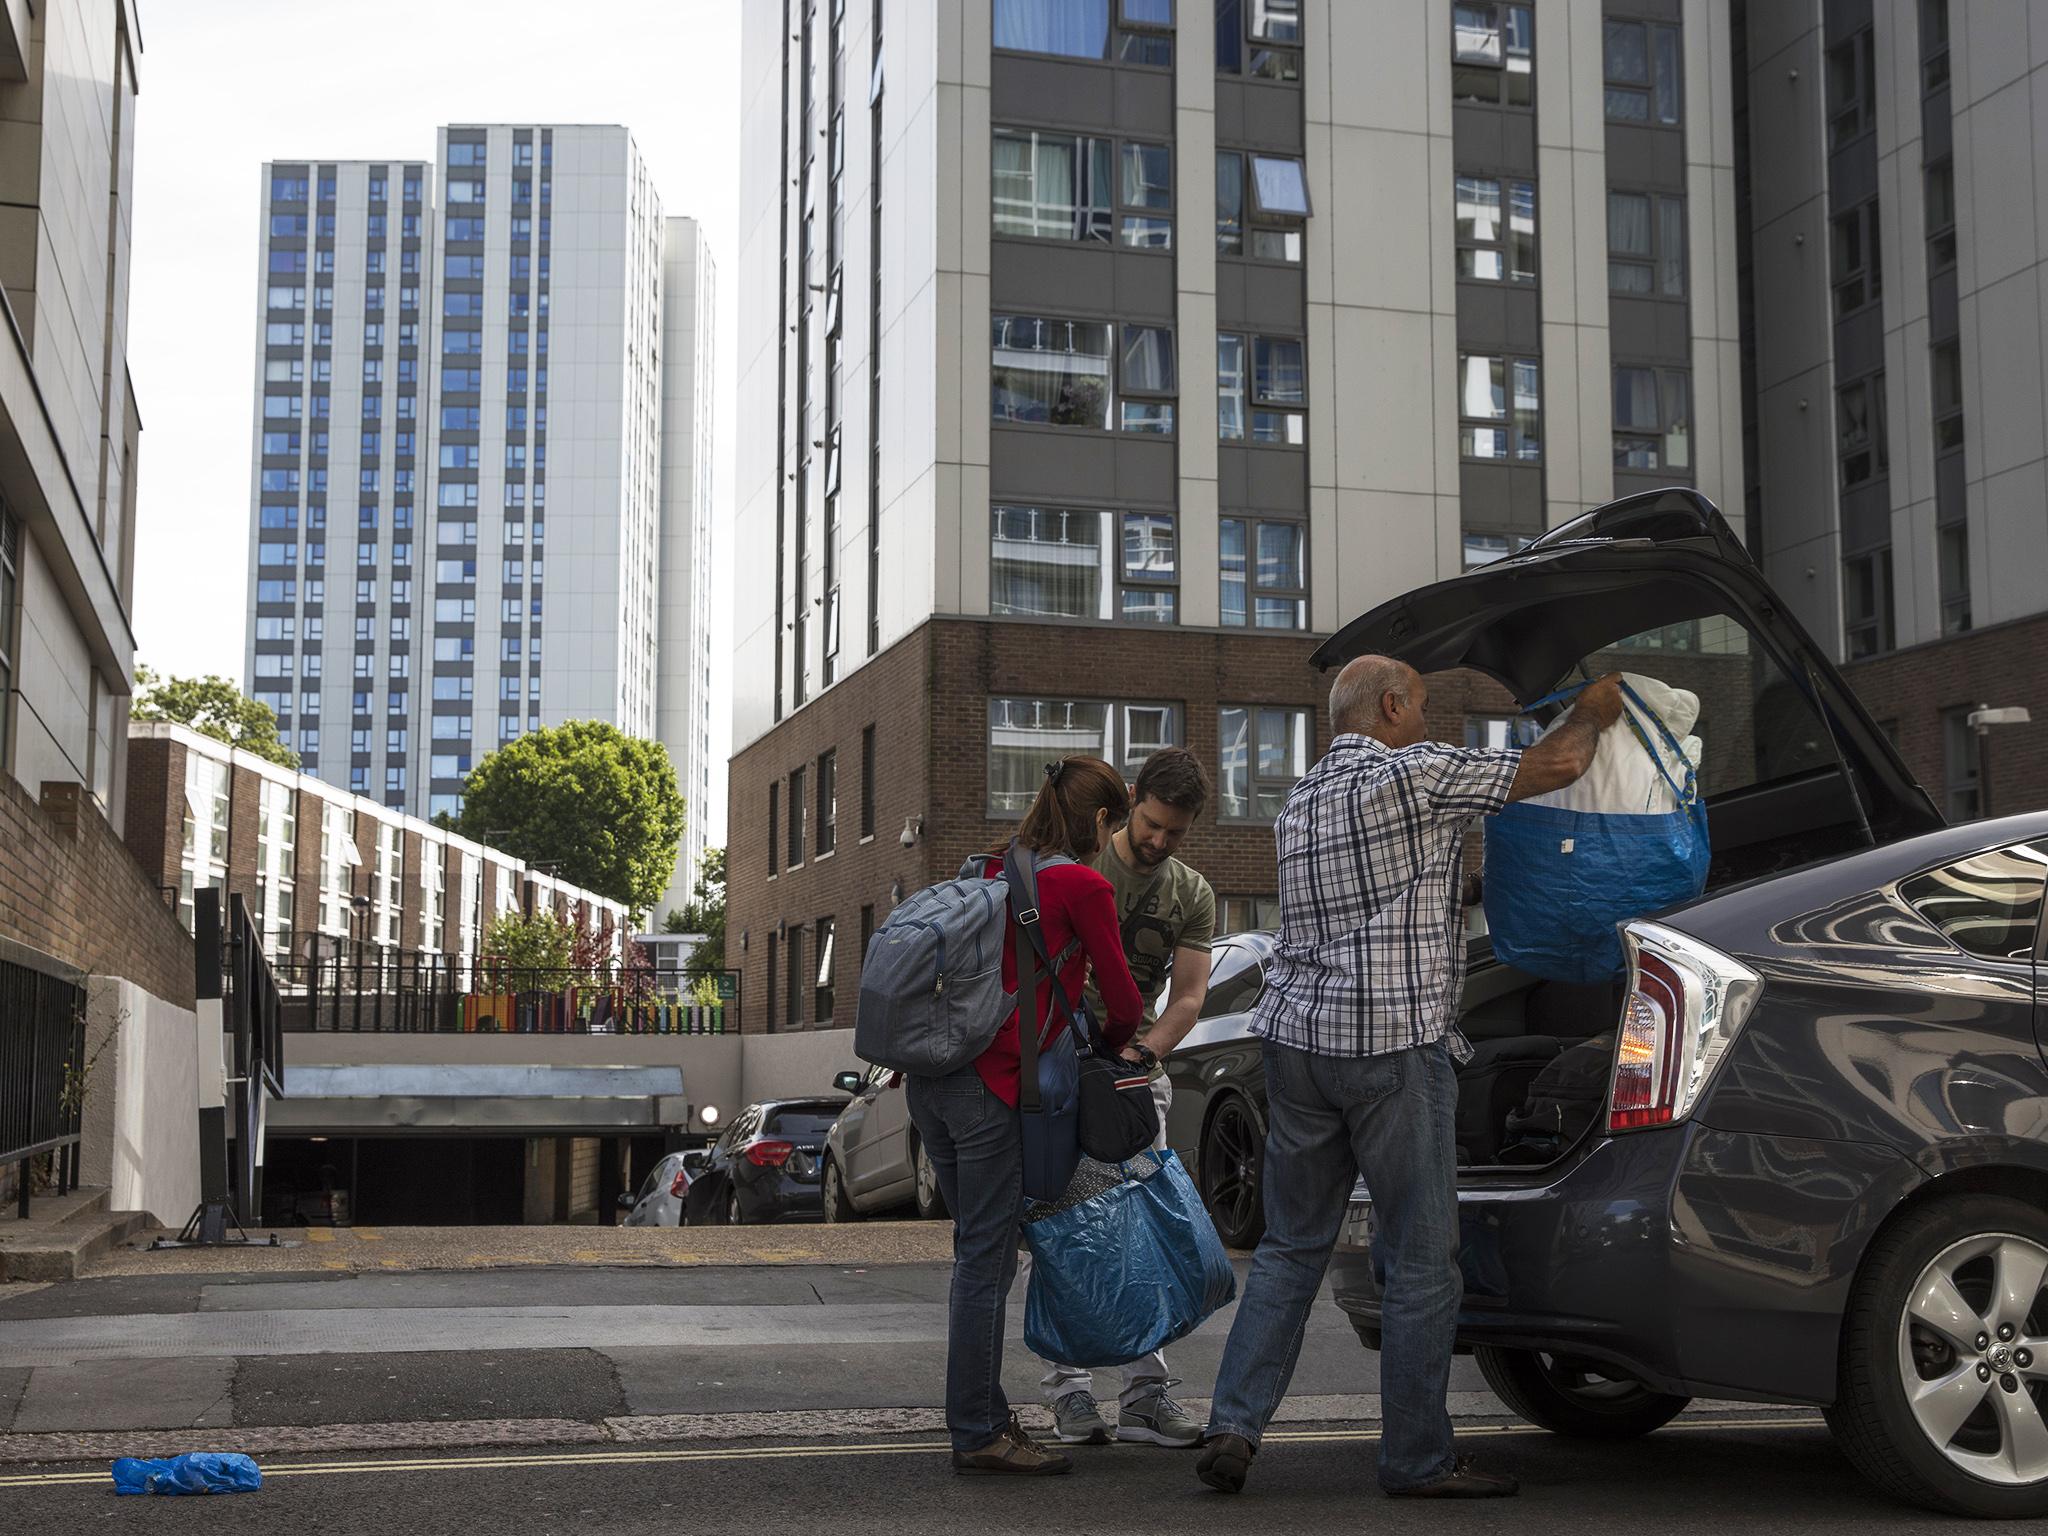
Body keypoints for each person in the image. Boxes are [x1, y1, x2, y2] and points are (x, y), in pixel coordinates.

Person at [1198, 657, 1624, 1500]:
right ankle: (1416, 1458)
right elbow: (1559, 766)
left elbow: (1377, 894)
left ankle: (1233, 1427)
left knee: (1288, 1249)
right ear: (1391, 705)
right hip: (1390, 1046)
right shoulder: (1414, 772)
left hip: (1297, 1044)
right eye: (1423, 707)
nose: (1428, 722)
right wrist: (1593, 710)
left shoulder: (1302, 799)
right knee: (1425, 1262)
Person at [908, 754, 1146, 1476]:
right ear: (1101, 821)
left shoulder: (985, 873)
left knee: (974, 1251)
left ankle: (983, 1406)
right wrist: (1108, 1048)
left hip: (931, 1083)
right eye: (1117, 823)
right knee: (985, 1262)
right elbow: (1125, 1004)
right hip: (993, 1088)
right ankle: (978, 1429)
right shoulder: (1082, 883)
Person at [1039, 746, 1218, 1450]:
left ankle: (1146, 1396)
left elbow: (1193, 995)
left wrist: (1144, 1055)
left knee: (1145, 1232)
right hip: (1061, 1072)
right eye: (1150, 824)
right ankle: (1070, 1393)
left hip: (1135, 1076)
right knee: (1066, 1233)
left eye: (1175, 833)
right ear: (1130, 801)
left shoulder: (1192, 892)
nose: (1158, 841)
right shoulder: (1081, 865)